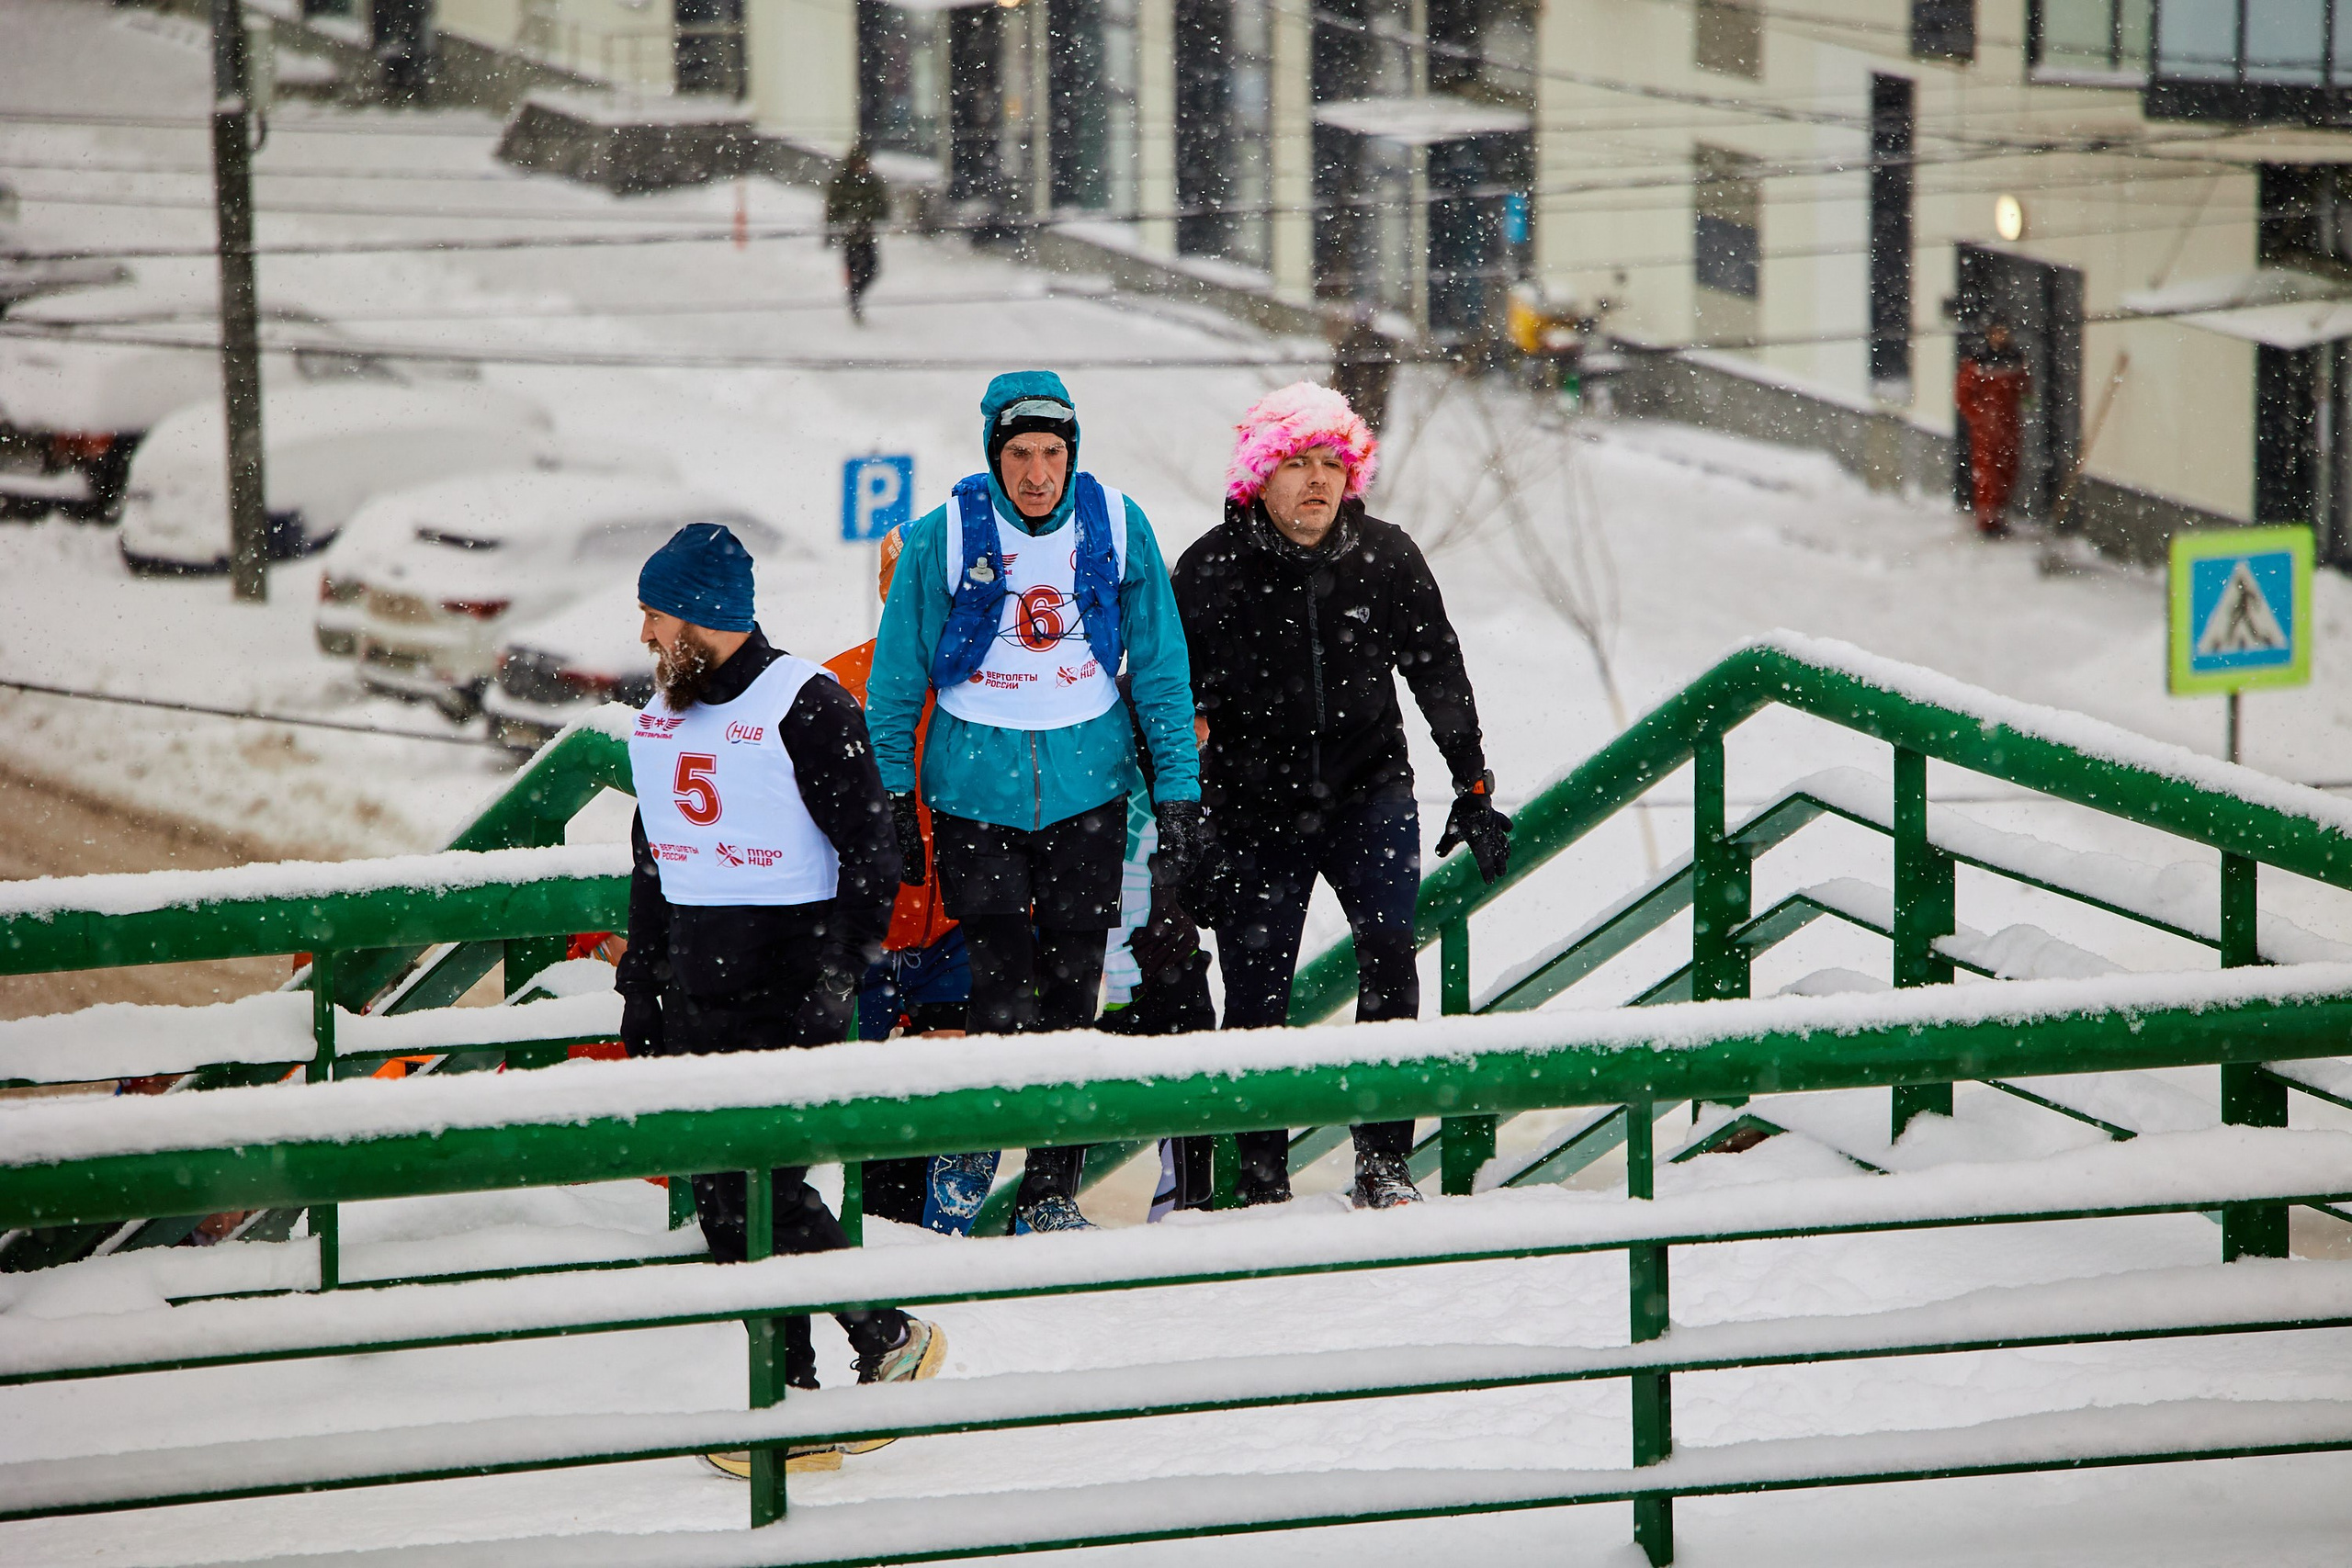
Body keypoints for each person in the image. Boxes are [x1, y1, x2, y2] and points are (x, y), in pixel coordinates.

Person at [612, 523, 944, 1475]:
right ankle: (793, 1401)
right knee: (728, 1201)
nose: (642, 632)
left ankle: (882, 1340)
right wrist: (642, 985)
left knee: (759, 1187)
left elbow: (875, 850)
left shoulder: (805, 702)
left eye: (653, 612)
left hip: (784, 983)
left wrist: (838, 968)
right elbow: (652, 860)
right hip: (692, 990)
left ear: (699, 618)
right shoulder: (664, 714)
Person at [866, 371, 1204, 1235]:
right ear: (994, 454)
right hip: (976, 786)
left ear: (1072, 453)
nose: (1037, 472)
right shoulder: (942, 538)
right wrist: (896, 799)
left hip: (1088, 783)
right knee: (1000, 983)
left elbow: (1162, 670)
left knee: (1071, 990)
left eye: (1052, 453)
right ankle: (976, 1153)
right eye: (1019, 453)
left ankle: (1051, 1188)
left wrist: (1178, 795)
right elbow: (897, 677)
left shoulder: (1119, 528)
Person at [1173, 381, 1511, 1211]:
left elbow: (1437, 669)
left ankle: (1384, 1162)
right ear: (1260, 476)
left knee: (1391, 960)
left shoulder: (1386, 556)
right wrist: (1186, 819)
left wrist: (1471, 785)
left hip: (1370, 790)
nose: (1318, 482)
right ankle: (1261, 1173)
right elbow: (1171, 701)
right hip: (1253, 808)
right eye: (1297, 465)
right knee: (1257, 988)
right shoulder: (1210, 568)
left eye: (1333, 464)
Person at [824, 527, 995, 1236]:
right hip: (861, 936)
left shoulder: (993, 686)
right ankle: (865, 1246)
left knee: (959, 1103)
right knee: (852, 1123)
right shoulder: (837, 686)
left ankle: (938, 1248)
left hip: (956, 934)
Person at [1956, 321, 2031, 538]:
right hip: (1986, 430)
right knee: (1988, 474)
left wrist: (2026, 402)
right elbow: (1963, 397)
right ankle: (1988, 520)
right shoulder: (1977, 363)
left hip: (2009, 427)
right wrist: (1981, 417)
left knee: (2007, 471)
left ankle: (1999, 516)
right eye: (1997, 332)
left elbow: (2026, 391)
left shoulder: (2015, 361)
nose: (2001, 336)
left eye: (2005, 332)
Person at [824, 143, 890, 323]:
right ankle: (854, 298)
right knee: (854, 270)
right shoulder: (842, 182)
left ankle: (855, 295)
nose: (862, 167)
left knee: (871, 270)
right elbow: (832, 209)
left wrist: (865, 215)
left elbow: (883, 208)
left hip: (866, 235)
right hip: (849, 237)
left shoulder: (872, 182)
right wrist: (834, 229)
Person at [1329, 303, 1397, 437]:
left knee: (1364, 442)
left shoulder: (1374, 342)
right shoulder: (1349, 343)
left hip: (1366, 403)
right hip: (1359, 403)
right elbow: (1339, 377)